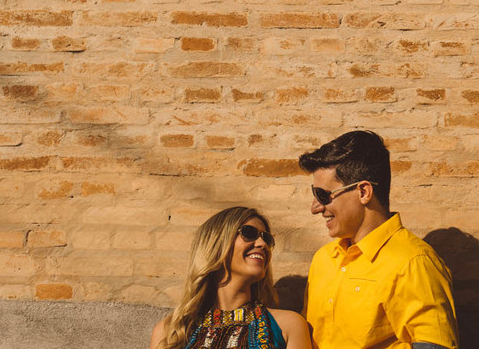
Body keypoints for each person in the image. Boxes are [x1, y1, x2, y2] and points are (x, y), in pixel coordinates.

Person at [298, 130, 458, 349]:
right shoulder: (323, 260)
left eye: (323, 195)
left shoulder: (413, 262)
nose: (315, 208)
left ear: (364, 192)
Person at [150, 206, 311, 349]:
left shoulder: (288, 326)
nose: (262, 244)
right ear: (216, 243)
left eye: (266, 238)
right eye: (249, 233)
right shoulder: (170, 331)